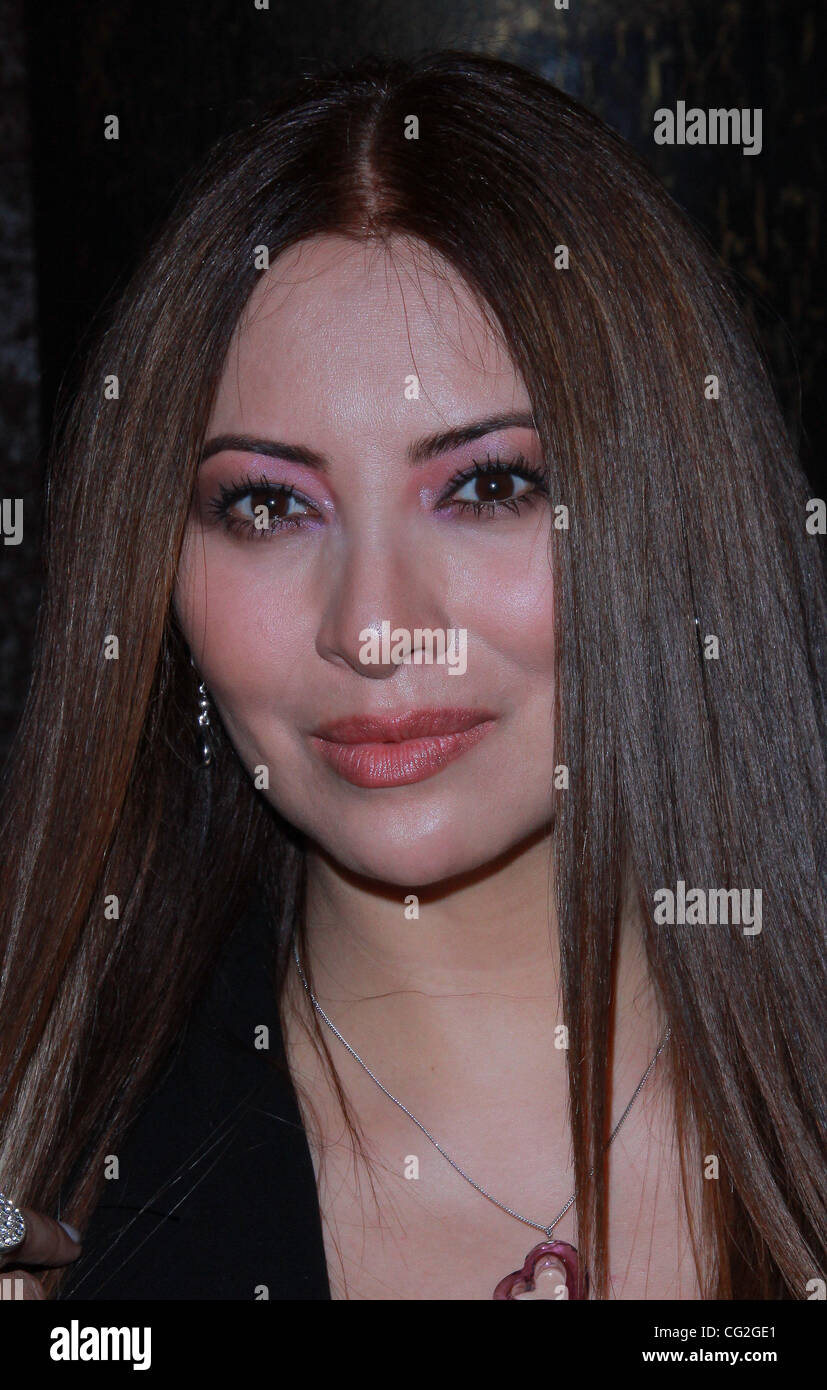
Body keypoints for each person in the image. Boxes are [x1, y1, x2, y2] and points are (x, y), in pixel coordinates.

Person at [0, 50, 824, 1302]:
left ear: (667, 516)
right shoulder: (61, 1198)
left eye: (488, 486)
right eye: (268, 504)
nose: (376, 628)